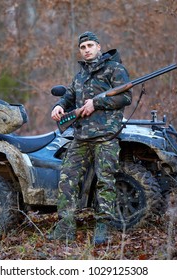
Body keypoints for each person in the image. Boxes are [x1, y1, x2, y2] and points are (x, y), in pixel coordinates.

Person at [49, 31, 132, 244]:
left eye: (90, 45)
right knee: (67, 180)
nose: (86, 50)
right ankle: (65, 227)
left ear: (98, 46)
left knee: (105, 182)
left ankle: (103, 228)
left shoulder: (115, 69)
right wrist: (59, 106)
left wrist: (97, 103)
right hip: (81, 136)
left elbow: (125, 97)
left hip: (106, 136)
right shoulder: (80, 76)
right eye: (83, 47)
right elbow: (69, 96)